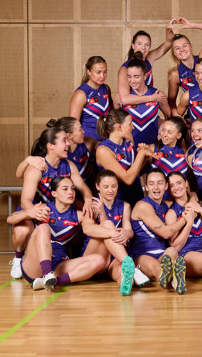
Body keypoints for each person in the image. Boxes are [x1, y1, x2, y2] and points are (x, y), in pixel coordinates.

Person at [10, 124, 93, 279]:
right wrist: (35, 213)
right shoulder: (37, 167)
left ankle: (73, 254)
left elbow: (83, 188)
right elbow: (26, 200)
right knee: (22, 231)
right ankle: (19, 257)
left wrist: (88, 201)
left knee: (87, 212)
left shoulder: (69, 165)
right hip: (36, 209)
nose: (68, 144)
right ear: (50, 146)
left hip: (58, 208)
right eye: (64, 141)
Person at [17, 177, 105, 291]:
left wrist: (102, 214)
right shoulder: (43, 208)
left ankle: (53, 282)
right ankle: (46, 274)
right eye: (65, 189)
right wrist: (29, 212)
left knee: (99, 260)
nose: (71, 192)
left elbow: (91, 229)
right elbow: (10, 219)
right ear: (54, 193)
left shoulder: (79, 215)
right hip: (36, 263)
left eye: (73, 189)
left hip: (59, 263)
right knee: (43, 227)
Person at [81, 170, 150, 295]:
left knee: (122, 272)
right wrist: (103, 214)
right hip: (94, 257)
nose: (110, 190)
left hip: (114, 256)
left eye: (114, 186)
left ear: (118, 186)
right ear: (97, 186)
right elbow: (87, 229)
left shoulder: (125, 206)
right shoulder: (91, 205)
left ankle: (125, 285)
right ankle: (133, 268)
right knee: (108, 225)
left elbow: (129, 230)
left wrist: (126, 233)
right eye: (105, 187)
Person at [127, 169, 187, 294]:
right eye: (151, 183)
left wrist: (193, 197)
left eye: (160, 183)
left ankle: (172, 279)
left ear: (166, 186)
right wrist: (186, 219)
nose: (156, 187)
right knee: (157, 267)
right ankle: (172, 279)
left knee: (172, 251)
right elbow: (165, 232)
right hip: (142, 255)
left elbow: (188, 195)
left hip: (162, 254)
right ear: (146, 187)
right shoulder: (143, 206)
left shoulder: (165, 206)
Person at [95, 109, 156, 206]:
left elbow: (136, 173)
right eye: (130, 124)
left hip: (137, 196)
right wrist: (141, 155)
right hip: (117, 204)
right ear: (119, 127)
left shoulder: (128, 139)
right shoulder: (103, 150)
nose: (133, 127)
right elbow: (128, 179)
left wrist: (146, 159)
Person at [167, 17, 202, 116]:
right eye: (177, 48)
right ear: (174, 53)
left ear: (191, 46)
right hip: (195, 113)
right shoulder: (176, 73)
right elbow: (171, 101)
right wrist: (176, 115)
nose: (182, 50)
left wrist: (192, 25)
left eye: (185, 45)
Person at [116, 22, 175, 106]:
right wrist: (152, 97)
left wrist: (168, 29)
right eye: (139, 44)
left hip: (148, 105)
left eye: (147, 45)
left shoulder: (149, 58)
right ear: (133, 45)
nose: (143, 48)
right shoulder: (124, 69)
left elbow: (169, 42)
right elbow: (125, 99)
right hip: (132, 107)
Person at [115, 56, 171, 145]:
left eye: (136, 76)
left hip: (153, 148)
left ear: (145, 76)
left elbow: (169, 117)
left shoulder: (158, 95)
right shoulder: (119, 97)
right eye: (129, 76)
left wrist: (164, 131)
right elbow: (115, 122)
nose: (132, 81)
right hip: (129, 150)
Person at [69, 56, 111, 141]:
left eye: (105, 72)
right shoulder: (81, 94)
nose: (102, 76)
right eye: (98, 72)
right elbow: (72, 126)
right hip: (88, 141)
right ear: (88, 72)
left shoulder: (105, 88)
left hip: (106, 141)